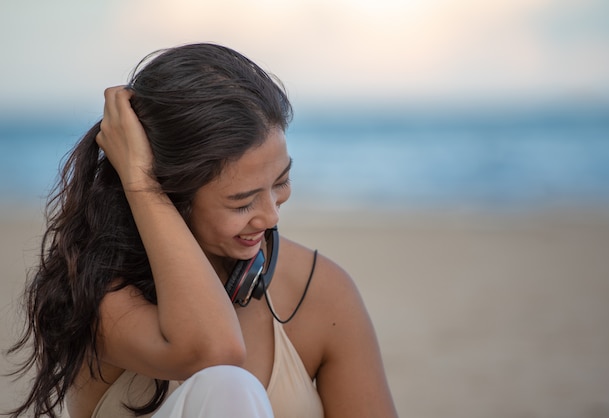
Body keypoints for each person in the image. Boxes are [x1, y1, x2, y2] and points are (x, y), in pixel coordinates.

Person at [8, 43, 398, 418]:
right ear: (171, 194)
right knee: (227, 386)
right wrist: (142, 184)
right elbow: (214, 352)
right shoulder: (97, 291)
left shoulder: (321, 290)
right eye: (242, 202)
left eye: (280, 182)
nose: (270, 217)